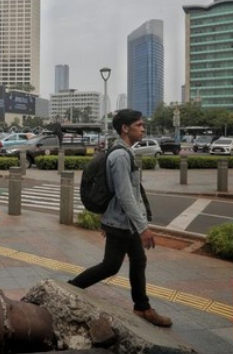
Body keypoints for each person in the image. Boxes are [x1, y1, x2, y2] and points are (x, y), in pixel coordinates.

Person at [68, 109, 172, 328]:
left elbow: (120, 192)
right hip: (123, 223)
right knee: (110, 266)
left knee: (137, 260)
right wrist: (143, 227)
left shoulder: (123, 152)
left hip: (123, 222)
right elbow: (125, 195)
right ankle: (70, 288)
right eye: (139, 125)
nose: (143, 128)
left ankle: (142, 307)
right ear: (126, 128)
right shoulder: (121, 155)